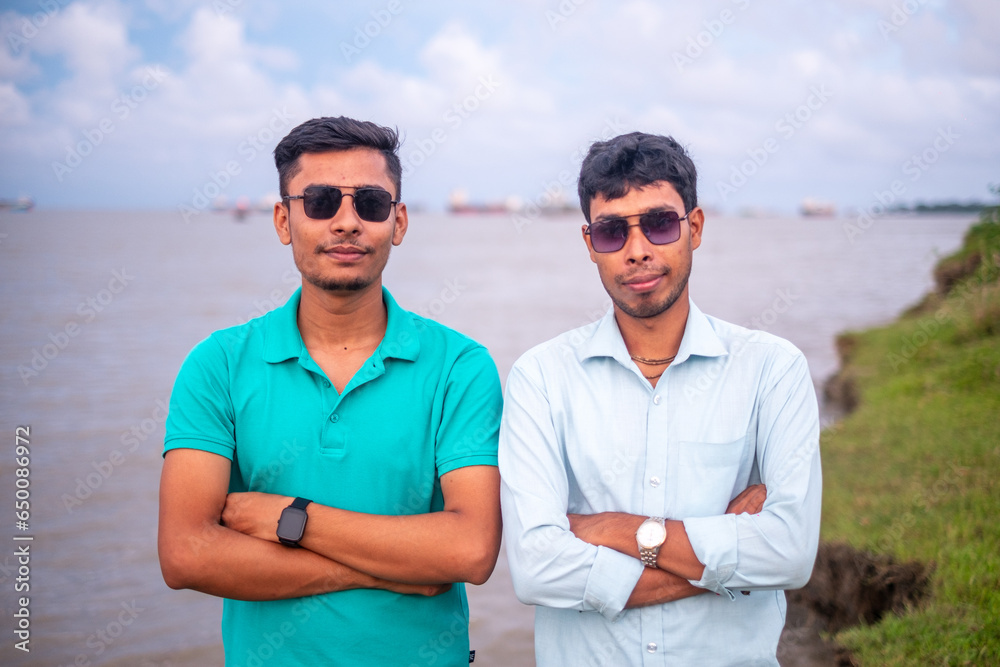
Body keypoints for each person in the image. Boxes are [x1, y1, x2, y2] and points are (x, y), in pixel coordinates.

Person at [158, 116, 503, 666]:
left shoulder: (459, 367)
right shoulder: (218, 365)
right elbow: (185, 555)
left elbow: (472, 549)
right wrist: (392, 567)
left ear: (399, 220)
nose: (347, 222)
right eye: (319, 201)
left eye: (370, 202)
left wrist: (290, 519)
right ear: (282, 219)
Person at [499, 131, 822, 665]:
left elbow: (789, 554)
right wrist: (727, 560)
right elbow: (535, 569)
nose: (638, 250)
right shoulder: (540, 377)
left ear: (693, 228)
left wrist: (614, 531)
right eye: (611, 232)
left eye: (659, 223)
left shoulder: (772, 369)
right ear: (588, 243)